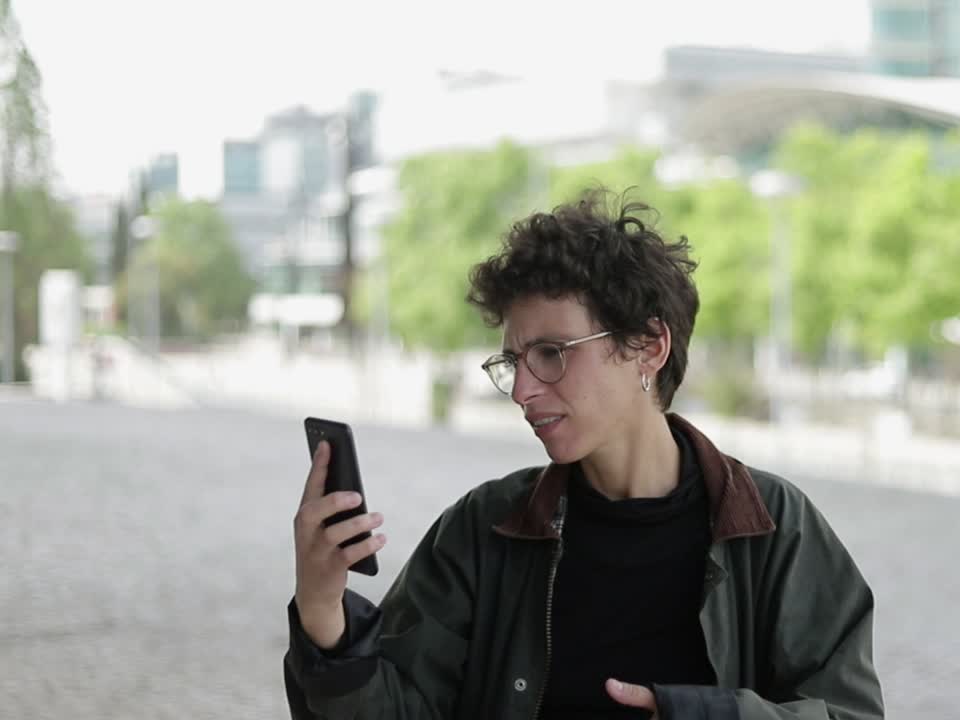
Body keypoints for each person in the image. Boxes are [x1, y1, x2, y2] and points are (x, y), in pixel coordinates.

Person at [285, 190, 885, 720]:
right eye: (513, 362)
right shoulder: (482, 529)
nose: (522, 390)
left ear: (648, 346)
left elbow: (848, 713)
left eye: (551, 353)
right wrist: (323, 612)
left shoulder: (775, 528)